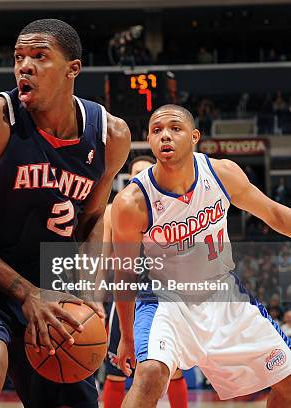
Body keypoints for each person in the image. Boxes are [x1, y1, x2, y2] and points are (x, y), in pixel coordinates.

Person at [0, 19, 130, 408]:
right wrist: (27, 293)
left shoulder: (110, 135)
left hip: (49, 281)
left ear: (73, 69)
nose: (24, 66)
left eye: (39, 56)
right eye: (19, 57)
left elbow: (94, 217)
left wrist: (89, 291)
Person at [112, 104, 291, 407]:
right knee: (150, 374)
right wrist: (127, 337)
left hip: (223, 295)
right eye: (157, 130)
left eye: (175, 128)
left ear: (194, 136)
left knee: (288, 381)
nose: (165, 136)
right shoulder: (132, 201)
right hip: (165, 301)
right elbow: (125, 274)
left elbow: (273, 213)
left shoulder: (221, 174)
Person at [101, 155, 188, 408]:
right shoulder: (113, 210)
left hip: (164, 294)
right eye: (134, 173)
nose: (139, 177)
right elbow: (103, 259)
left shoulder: (174, 208)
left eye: (145, 172)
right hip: (127, 296)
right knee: (117, 369)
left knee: (174, 369)